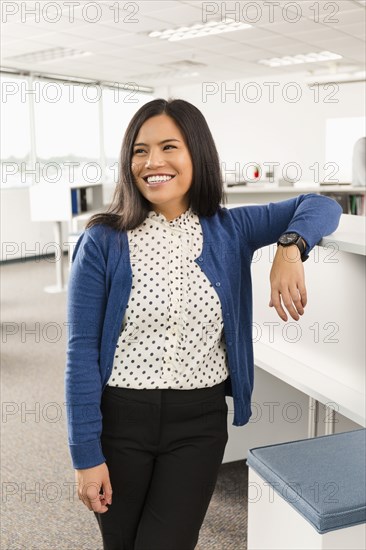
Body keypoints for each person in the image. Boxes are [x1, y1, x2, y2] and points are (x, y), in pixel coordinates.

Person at [65, 98, 342, 550]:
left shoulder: (230, 228)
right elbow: (80, 354)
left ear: (197, 153)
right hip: (119, 421)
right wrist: (85, 455)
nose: (153, 162)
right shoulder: (102, 241)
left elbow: (320, 205)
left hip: (197, 423)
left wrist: (290, 248)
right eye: (139, 150)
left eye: (168, 147)